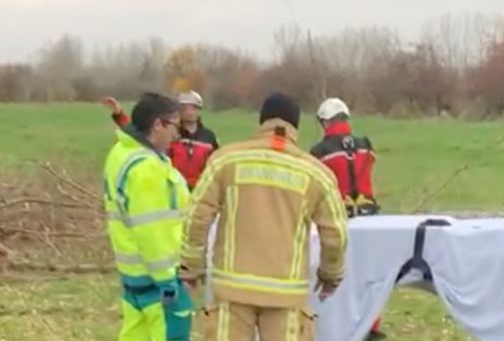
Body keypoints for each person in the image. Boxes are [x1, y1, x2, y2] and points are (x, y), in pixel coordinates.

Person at [179, 92, 348, 341]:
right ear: (296, 126)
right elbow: (336, 234)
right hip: (287, 295)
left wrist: (191, 267)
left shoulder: (225, 161)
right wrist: (330, 274)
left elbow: (196, 216)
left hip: (231, 290)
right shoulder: (317, 174)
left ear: (261, 122)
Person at [103, 92, 193, 341]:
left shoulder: (121, 153)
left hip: (134, 279)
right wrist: (169, 283)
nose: (177, 134)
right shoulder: (147, 168)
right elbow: (153, 230)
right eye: (175, 125)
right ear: (158, 124)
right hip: (159, 284)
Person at [310, 97, 385, 340]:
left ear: (325, 122)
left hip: (338, 220)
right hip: (369, 218)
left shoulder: (320, 151)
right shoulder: (365, 144)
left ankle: (340, 326)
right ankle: (372, 325)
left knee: (340, 275)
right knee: (370, 276)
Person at [104, 90, 219, 189]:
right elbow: (140, 134)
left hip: (198, 193)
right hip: (171, 187)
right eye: (185, 108)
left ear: (198, 109)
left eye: (193, 107)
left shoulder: (208, 137)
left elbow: (216, 166)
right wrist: (120, 115)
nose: (189, 111)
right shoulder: (167, 133)